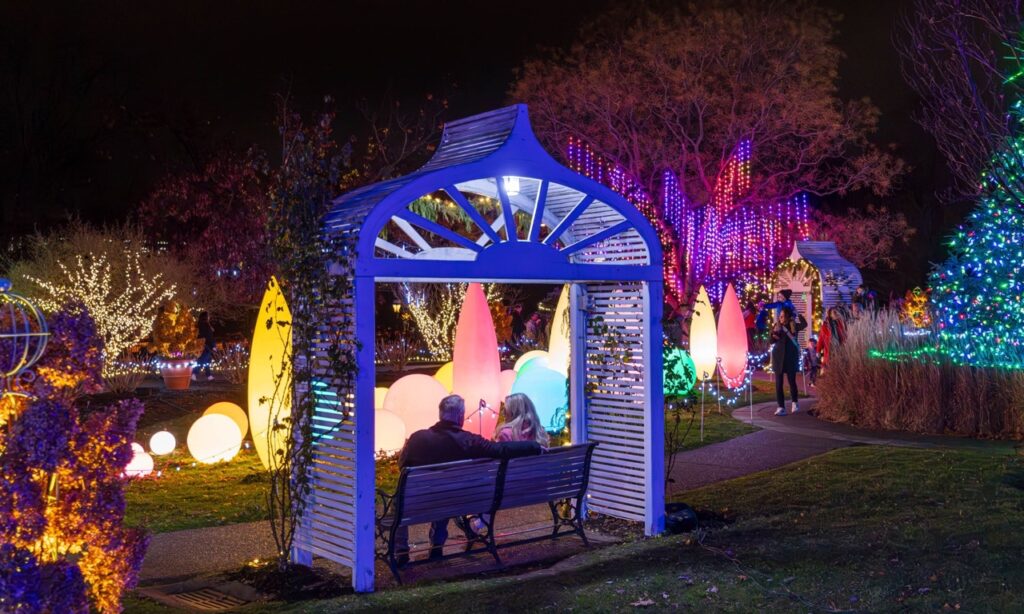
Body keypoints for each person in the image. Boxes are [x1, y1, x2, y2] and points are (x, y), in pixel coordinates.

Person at [394, 395, 542, 565]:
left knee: (402, 500)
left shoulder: (417, 438)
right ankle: (436, 547)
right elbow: (500, 449)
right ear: (460, 416)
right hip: (454, 500)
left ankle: (401, 551)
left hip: (415, 502)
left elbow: (402, 464)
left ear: (441, 414)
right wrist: (534, 446)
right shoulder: (470, 441)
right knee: (446, 496)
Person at [771, 306, 806, 416]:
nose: (781, 318)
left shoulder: (793, 326)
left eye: (783, 316)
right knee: (778, 384)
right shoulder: (777, 326)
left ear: (788, 316)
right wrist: (773, 336)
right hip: (778, 358)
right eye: (780, 316)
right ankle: (781, 407)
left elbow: (804, 324)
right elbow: (770, 340)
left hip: (790, 357)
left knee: (792, 381)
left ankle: (794, 402)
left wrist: (798, 313)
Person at [816, 307, 847, 373]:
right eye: (834, 312)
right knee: (829, 369)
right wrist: (818, 350)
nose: (836, 314)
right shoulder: (825, 326)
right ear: (830, 314)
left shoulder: (842, 324)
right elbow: (821, 339)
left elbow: (845, 336)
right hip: (830, 350)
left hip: (840, 349)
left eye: (837, 312)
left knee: (840, 369)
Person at [192, 311, 215, 381]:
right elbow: (209, 336)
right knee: (202, 360)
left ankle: (209, 375)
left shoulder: (198, 325)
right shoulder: (205, 325)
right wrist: (213, 345)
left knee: (206, 361)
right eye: (208, 316)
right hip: (206, 345)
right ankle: (194, 373)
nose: (209, 317)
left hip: (201, 345)